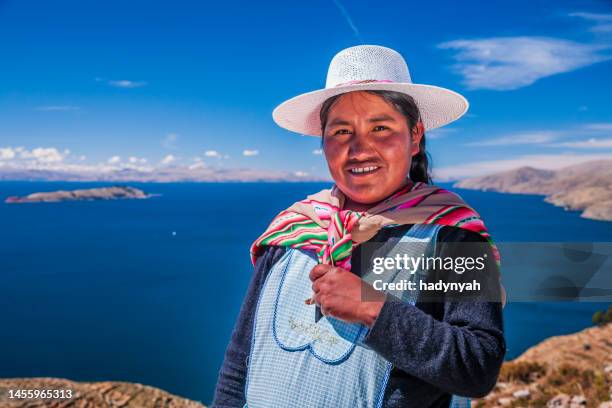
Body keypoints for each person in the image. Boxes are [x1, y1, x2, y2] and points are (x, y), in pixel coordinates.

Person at [212, 45, 505, 408]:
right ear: (323, 143)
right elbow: (239, 365)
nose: (359, 149)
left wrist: (373, 309)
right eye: (341, 132)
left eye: (380, 127)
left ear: (414, 136)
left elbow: (478, 365)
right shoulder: (291, 232)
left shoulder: (453, 236)